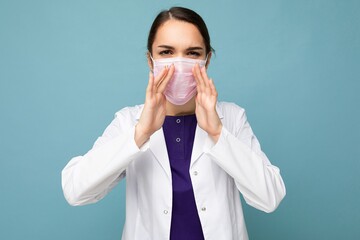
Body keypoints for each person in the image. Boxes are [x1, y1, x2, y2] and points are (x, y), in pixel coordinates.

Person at [61, 6, 286, 240]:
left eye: (192, 53)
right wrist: (140, 134)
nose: (179, 63)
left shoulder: (231, 117)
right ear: (150, 60)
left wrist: (218, 133)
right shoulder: (129, 121)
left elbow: (270, 197)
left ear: (206, 61)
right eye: (167, 52)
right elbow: (76, 191)